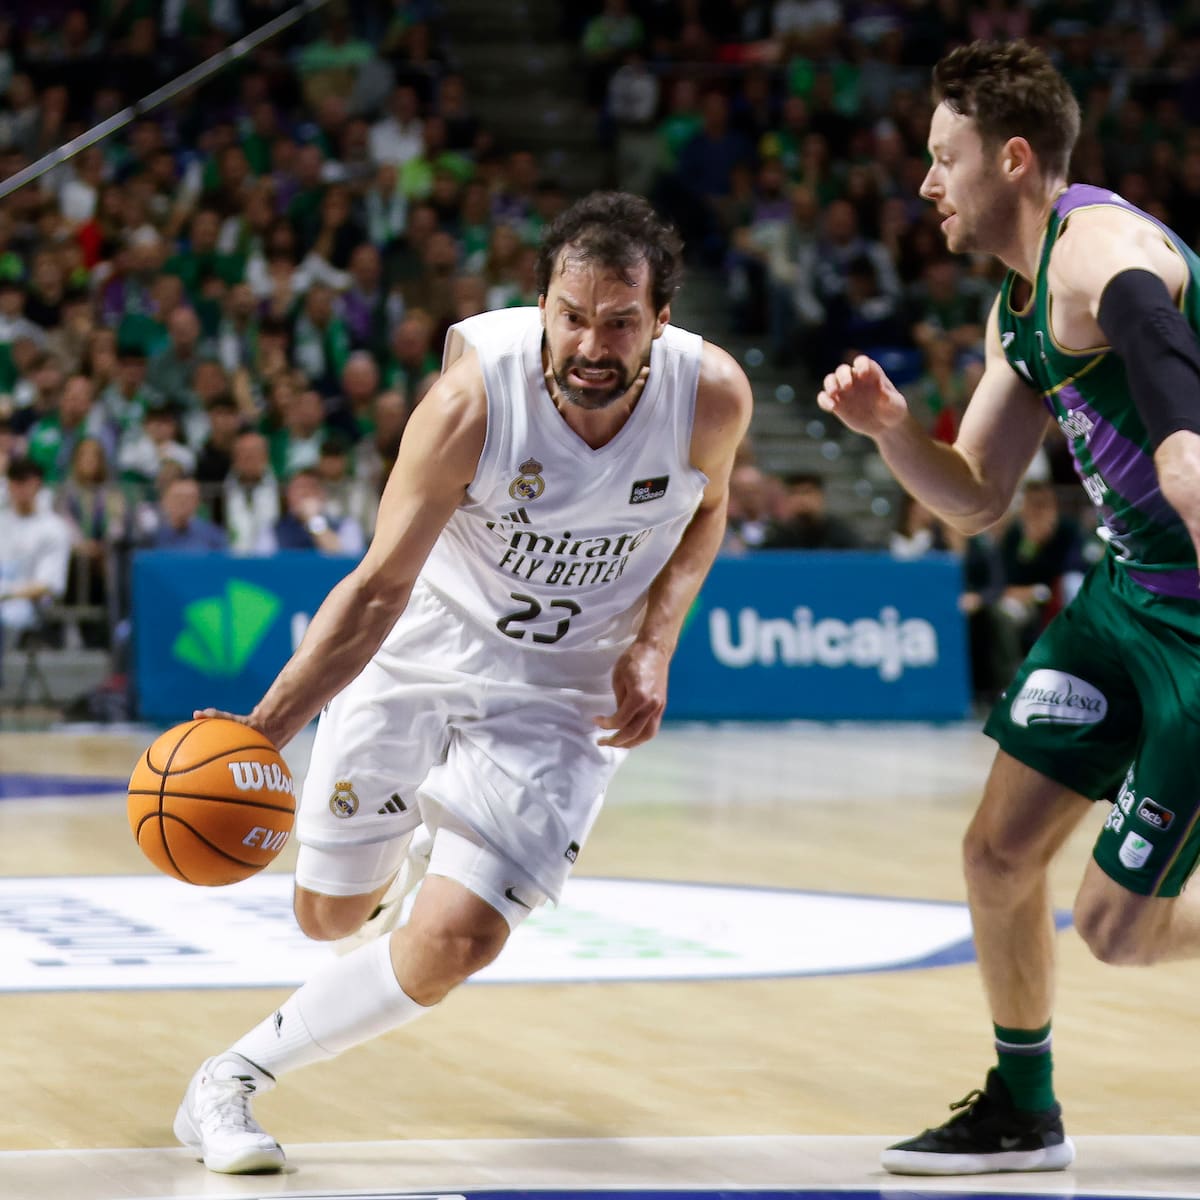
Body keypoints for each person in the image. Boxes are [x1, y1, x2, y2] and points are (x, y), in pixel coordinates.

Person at [173, 191, 752, 1175]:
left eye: (620, 321)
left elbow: (708, 513)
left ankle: (228, 1080)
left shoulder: (713, 398)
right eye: (572, 316)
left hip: (562, 691)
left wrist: (654, 644)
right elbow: (376, 586)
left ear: (661, 320)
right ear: (542, 307)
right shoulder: (470, 404)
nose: (592, 344)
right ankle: (410, 840)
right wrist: (262, 729)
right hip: (422, 647)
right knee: (327, 919)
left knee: (456, 941)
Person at [818, 39, 1200, 1176]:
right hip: (1126, 600)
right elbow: (979, 499)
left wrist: (1184, 449)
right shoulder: (1018, 306)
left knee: (1119, 932)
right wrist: (894, 432)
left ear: (1015, 159)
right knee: (996, 854)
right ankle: (1022, 1110)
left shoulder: (1100, 251)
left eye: (946, 158)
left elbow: (1155, 328)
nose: (926, 182)